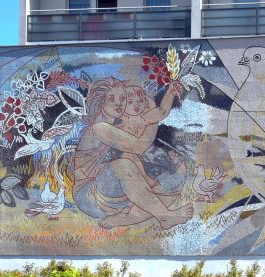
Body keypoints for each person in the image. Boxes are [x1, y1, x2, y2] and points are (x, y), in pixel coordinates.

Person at [72, 77, 194, 230]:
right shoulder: (99, 128)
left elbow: (157, 118)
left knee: (175, 173)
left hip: (118, 192)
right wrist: (152, 118)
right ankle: (165, 216)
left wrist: (168, 95)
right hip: (89, 196)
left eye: (122, 98)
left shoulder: (123, 123)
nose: (119, 103)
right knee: (124, 165)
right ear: (101, 102)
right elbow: (139, 146)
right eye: (112, 98)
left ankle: (124, 219)